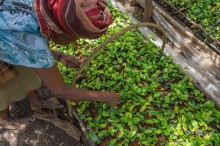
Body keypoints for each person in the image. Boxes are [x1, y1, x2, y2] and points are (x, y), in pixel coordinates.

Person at [0, 0, 120, 130]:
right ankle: (4, 119)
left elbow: (23, 44)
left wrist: (59, 56)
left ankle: (35, 102)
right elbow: (61, 91)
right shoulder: (35, 45)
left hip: (9, 37)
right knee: (5, 87)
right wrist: (106, 96)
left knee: (28, 74)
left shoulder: (46, 8)